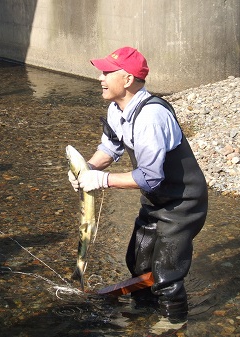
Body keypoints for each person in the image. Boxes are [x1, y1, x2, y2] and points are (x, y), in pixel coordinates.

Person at [68, 46, 208, 324]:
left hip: (183, 204)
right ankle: (143, 311)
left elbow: (151, 177)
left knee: (166, 274)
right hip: (155, 201)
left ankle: (174, 323)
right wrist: (88, 169)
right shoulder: (116, 109)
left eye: (107, 72)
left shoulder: (150, 117)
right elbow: (110, 148)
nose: (100, 77)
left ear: (128, 79)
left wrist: (103, 181)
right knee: (138, 262)